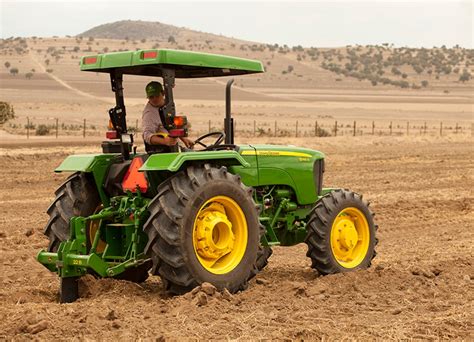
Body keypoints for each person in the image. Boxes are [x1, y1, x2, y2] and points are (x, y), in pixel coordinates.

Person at [142, 81, 194, 152]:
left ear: (163, 93)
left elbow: (171, 125)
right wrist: (165, 141)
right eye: (151, 97)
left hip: (173, 147)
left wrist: (184, 139)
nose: (154, 99)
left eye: (157, 96)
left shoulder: (167, 107)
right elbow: (147, 136)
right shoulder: (149, 114)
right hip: (161, 152)